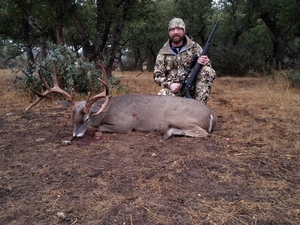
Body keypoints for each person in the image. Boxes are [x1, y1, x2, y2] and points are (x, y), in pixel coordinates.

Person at [153, 18, 216, 104]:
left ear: (184, 31)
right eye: (172, 29)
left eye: (179, 29)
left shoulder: (194, 47)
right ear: (169, 32)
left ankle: (198, 108)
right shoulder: (163, 52)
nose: (175, 32)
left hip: (194, 89)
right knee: (161, 97)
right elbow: (157, 75)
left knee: (207, 71)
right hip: (174, 91)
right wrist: (170, 84)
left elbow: (208, 66)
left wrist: (205, 63)